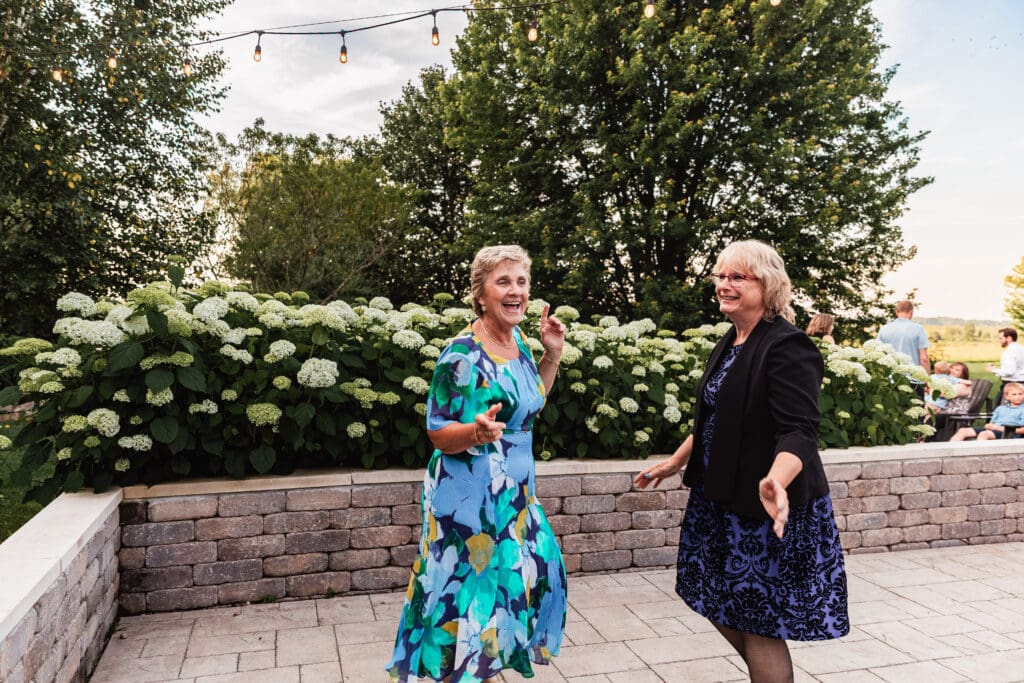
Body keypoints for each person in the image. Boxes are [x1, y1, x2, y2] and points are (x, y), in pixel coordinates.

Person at [635, 240, 848, 682]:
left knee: (759, 626)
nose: (723, 284)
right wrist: (675, 461)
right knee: (714, 599)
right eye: (719, 275)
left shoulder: (788, 347)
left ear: (767, 285)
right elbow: (718, 415)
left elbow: (800, 430)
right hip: (719, 499)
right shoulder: (733, 339)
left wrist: (776, 479)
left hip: (760, 511)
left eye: (737, 277)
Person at [386, 245, 567, 683]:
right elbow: (437, 430)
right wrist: (476, 432)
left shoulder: (519, 342)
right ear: (481, 295)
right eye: (503, 281)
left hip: (515, 498)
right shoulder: (462, 354)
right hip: (469, 500)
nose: (515, 291)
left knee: (535, 579)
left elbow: (530, 404)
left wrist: (551, 355)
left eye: (521, 282)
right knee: (473, 602)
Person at [950, 382, 1024, 441]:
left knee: (984, 434)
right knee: (963, 431)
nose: (1018, 397)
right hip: (994, 430)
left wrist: (997, 428)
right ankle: (950, 454)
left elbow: (1022, 430)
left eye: (1020, 394)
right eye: (1014, 394)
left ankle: (979, 457)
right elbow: (992, 423)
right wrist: (988, 425)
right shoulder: (1000, 409)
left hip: (1009, 433)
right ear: (1007, 396)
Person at [877, 300, 930, 373]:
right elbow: (924, 358)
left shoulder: (884, 329)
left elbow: (879, 354)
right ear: (911, 312)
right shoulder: (918, 329)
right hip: (913, 377)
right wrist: (927, 379)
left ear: (897, 312)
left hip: (890, 377)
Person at [987, 327, 1024, 401]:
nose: (999, 341)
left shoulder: (1008, 352)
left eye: (1001, 338)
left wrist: (993, 370)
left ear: (1009, 338)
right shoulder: (1022, 348)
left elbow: (1009, 371)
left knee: (1000, 409)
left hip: (1012, 386)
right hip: (1021, 385)